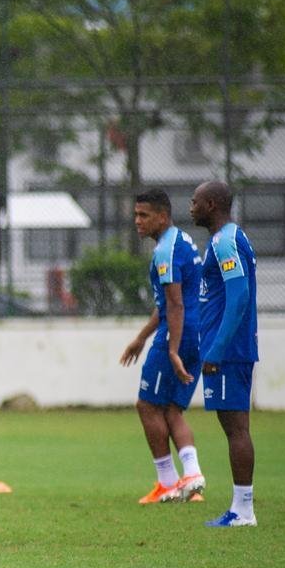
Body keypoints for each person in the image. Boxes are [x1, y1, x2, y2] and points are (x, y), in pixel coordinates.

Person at [120, 188, 207, 505]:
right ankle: (191, 475)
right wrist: (142, 337)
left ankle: (168, 482)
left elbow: (175, 305)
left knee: (147, 405)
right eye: (135, 214)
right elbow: (173, 302)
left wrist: (171, 348)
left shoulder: (165, 252)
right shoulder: (182, 241)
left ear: (162, 215)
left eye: (144, 215)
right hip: (196, 334)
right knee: (171, 409)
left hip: (178, 334)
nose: (137, 221)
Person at [190, 181, 259, 527]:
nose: (191, 207)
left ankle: (243, 510)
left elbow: (240, 295)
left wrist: (217, 348)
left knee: (236, 428)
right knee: (231, 426)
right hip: (226, 349)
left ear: (212, 204)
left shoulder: (227, 240)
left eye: (196, 201)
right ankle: (240, 507)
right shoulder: (222, 240)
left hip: (229, 351)